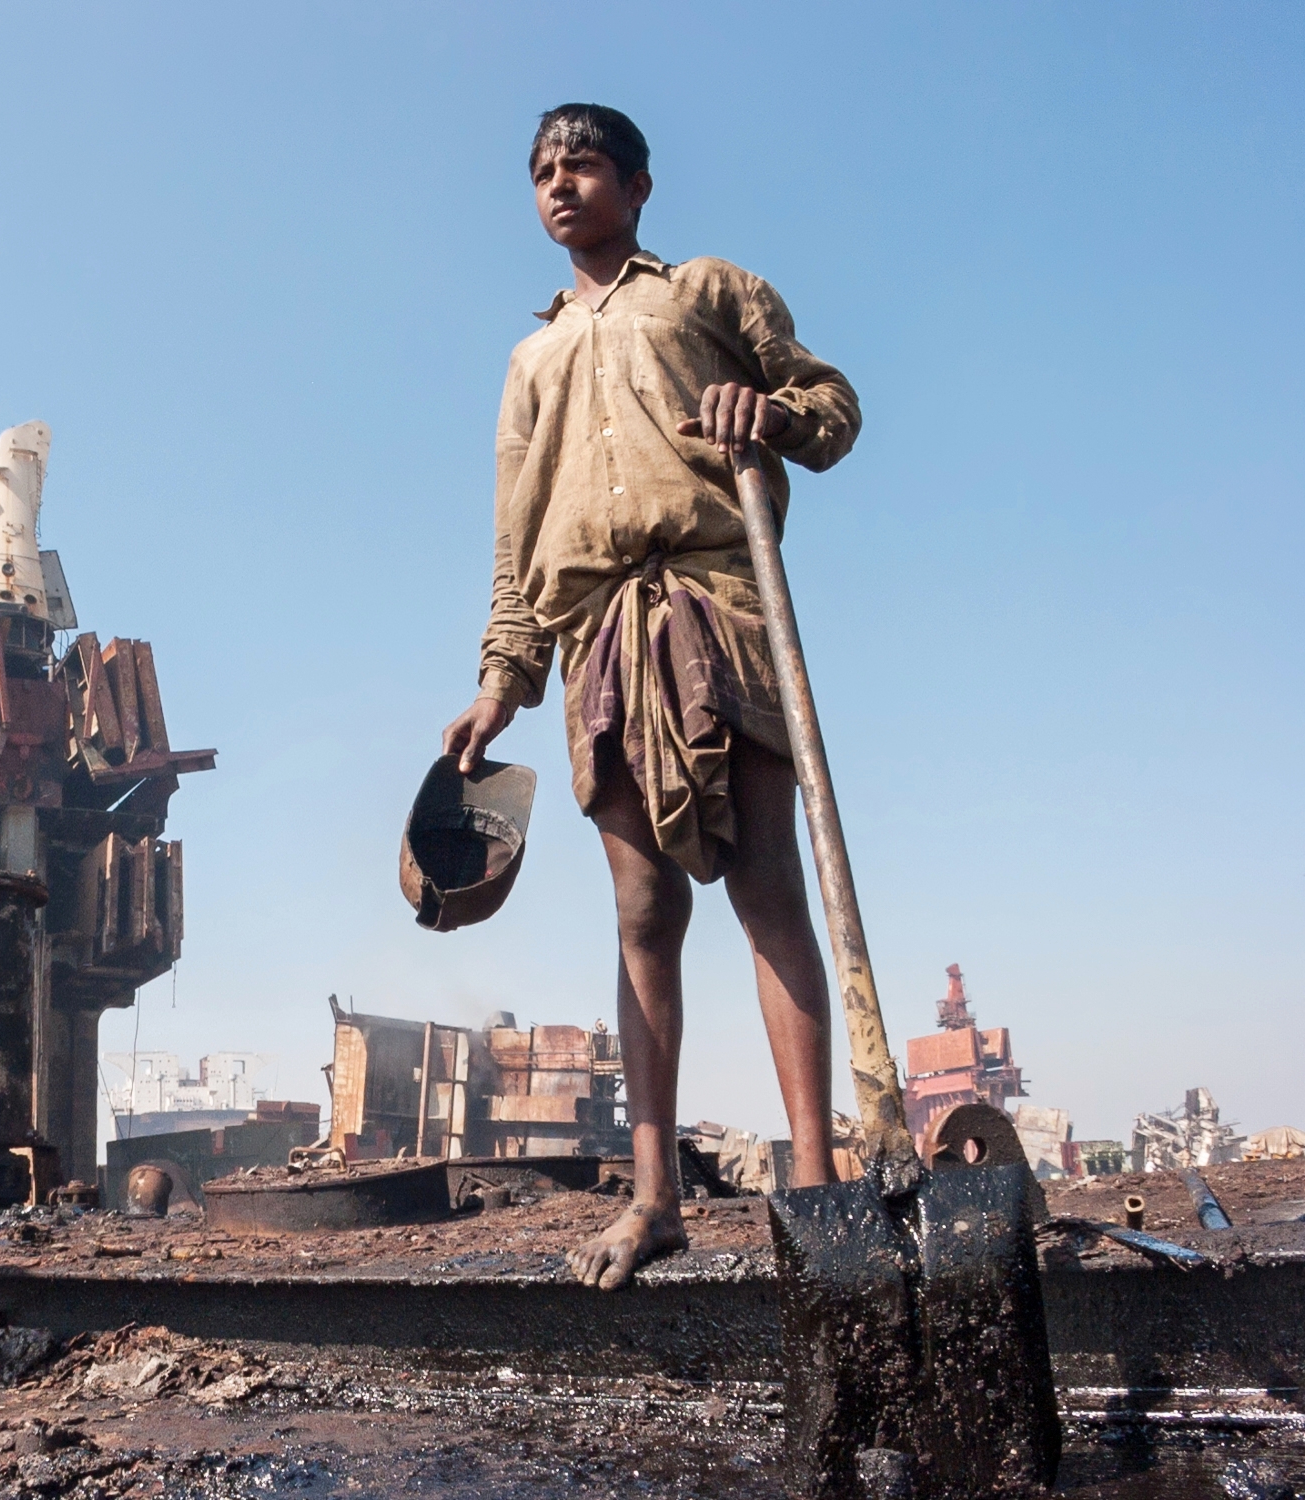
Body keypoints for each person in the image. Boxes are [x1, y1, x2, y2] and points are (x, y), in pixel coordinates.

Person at [442, 104, 861, 1291]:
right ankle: (655, 1199)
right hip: (600, 640)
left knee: (769, 884)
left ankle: (816, 1184)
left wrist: (767, 413)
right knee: (639, 915)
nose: (556, 185)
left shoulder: (706, 294)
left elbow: (831, 408)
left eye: (578, 164)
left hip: (719, 602)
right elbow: (514, 547)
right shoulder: (529, 362)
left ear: (633, 184)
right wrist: (496, 684)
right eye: (537, 171)